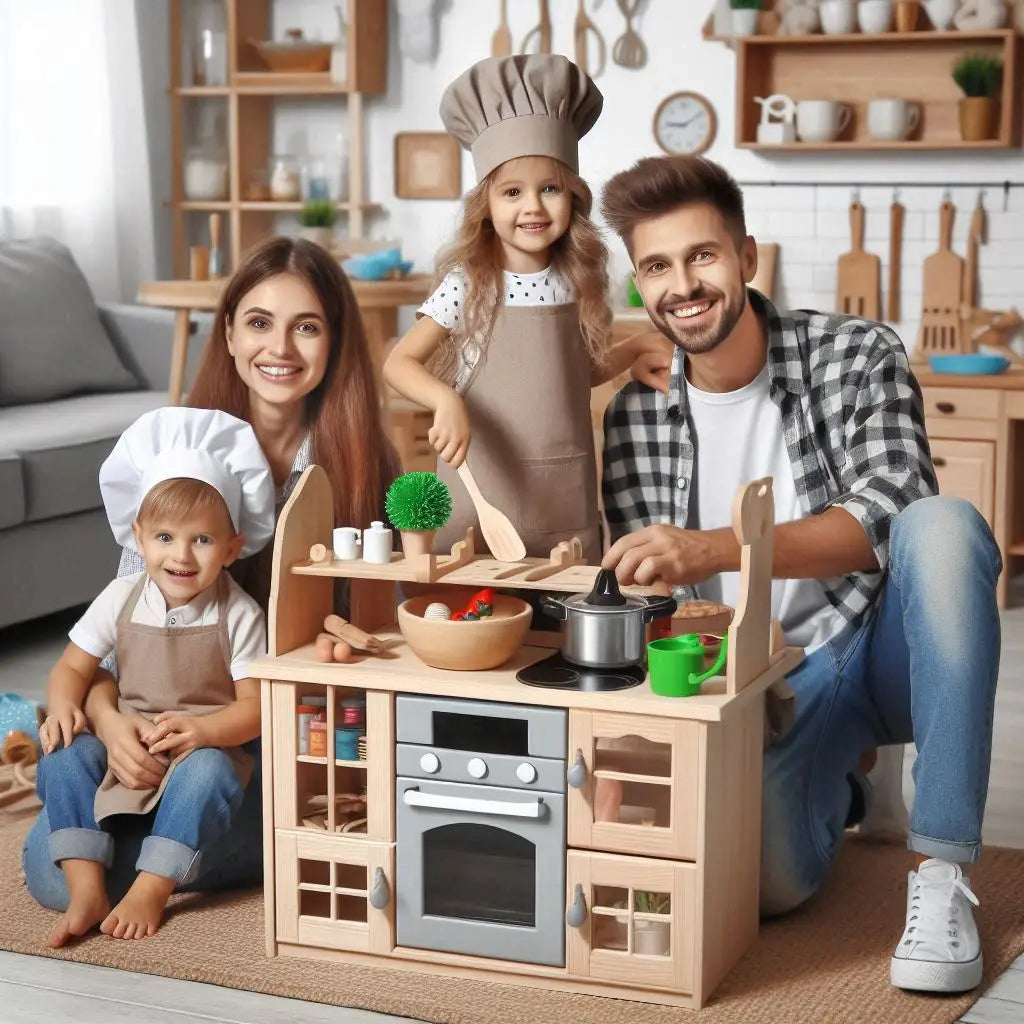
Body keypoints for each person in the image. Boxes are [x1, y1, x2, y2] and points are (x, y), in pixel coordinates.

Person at [597, 154, 1001, 995]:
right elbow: (658, 591)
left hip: (869, 638)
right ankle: (851, 783)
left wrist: (712, 547)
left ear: (748, 256)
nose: (684, 285)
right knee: (771, 886)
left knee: (945, 526)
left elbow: (886, 516)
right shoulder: (635, 412)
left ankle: (940, 872)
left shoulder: (855, 352)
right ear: (640, 283)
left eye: (702, 255)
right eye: (657, 267)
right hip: (757, 676)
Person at [23, 238, 400, 919]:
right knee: (56, 876)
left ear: (334, 340)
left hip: (269, 737)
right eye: (259, 321)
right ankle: (160, 851)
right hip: (150, 725)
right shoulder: (178, 457)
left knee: (100, 856)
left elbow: (373, 648)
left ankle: (167, 855)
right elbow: (108, 652)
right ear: (227, 333)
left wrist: (346, 649)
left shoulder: (363, 469)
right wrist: (110, 728)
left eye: (306, 326)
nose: (279, 346)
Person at [382, 54, 671, 564]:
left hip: (563, 499)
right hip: (481, 497)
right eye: (512, 191)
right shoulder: (469, 284)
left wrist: (632, 352)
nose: (532, 207)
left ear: (572, 197)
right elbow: (398, 364)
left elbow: (569, 377)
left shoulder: (576, 279)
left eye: (550, 189)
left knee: (561, 629)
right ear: (486, 205)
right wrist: (446, 400)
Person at [30, 406, 275, 947]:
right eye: (164, 537)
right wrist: (67, 705)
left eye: (203, 541)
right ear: (138, 538)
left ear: (233, 547)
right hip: (129, 742)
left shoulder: (239, 614)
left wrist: (205, 732)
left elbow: (255, 706)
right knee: (65, 754)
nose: (181, 556)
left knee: (210, 773)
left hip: (197, 750)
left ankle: (153, 884)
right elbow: (74, 666)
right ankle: (87, 883)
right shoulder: (121, 596)